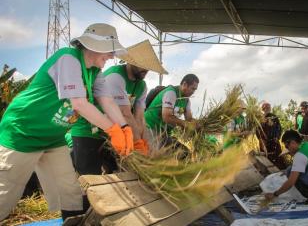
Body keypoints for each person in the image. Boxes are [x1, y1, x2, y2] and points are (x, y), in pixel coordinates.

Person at [0, 23, 134, 221]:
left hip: (53, 139)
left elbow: (107, 100)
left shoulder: (95, 73)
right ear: (94, 46)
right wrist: (112, 130)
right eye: (110, 50)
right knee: (6, 193)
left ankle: (73, 223)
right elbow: (78, 103)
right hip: (23, 131)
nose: (112, 56)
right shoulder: (68, 58)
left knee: (69, 192)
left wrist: (124, 128)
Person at [144, 74, 199, 148]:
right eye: (192, 89)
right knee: (154, 156)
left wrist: (199, 124)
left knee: (183, 152)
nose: (193, 92)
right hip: (151, 128)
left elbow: (189, 119)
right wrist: (185, 124)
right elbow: (166, 117)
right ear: (185, 84)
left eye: (195, 90)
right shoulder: (171, 93)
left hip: (164, 133)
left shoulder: (186, 100)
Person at [256, 102, 286, 169]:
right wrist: (261, 140)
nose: (267, 109)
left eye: (269, 108)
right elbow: (257, 131)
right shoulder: (260, 118)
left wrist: (277, 137)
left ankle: (281, 171)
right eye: (266, 108)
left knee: (278, 158)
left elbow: (279, 128)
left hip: (274, 142)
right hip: (264, 143)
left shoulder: (274, 117)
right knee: (266, 160)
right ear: (263, 109)